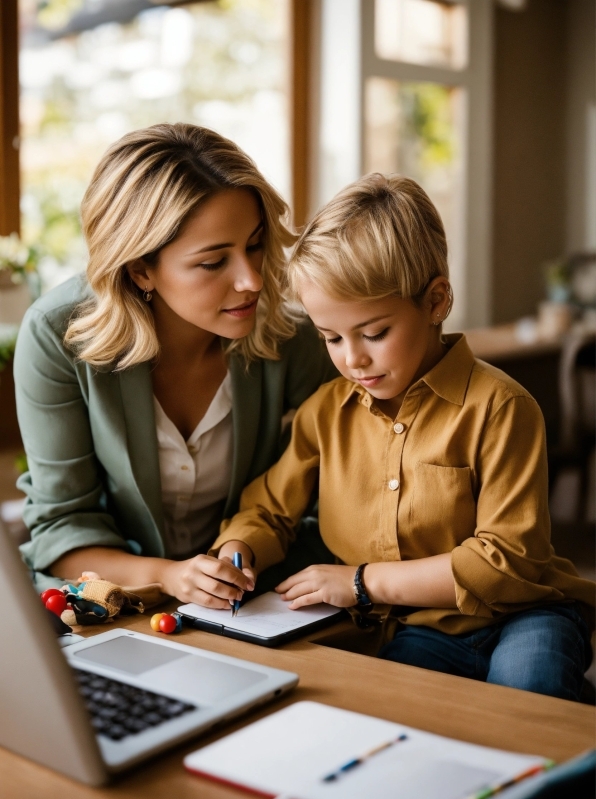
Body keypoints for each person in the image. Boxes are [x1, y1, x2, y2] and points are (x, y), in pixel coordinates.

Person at [211, 173, 595, 701]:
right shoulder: (326, 413)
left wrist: (361, 583)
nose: (353, 358)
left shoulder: (502, 407)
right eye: (331, 338)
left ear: (436, 301)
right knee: (392, 707)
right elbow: (271, 510)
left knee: (527, 694)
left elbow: (507, 562)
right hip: (422, 628)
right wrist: (237, 550)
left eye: (374, 333)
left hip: (526, 612)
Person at [14, 123, 334, 607]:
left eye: (254, 245)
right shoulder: (56, 335)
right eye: (213, 262)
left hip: (258, 602)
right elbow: (63, 526)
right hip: (111, 603)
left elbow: (340, 488)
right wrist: (170, 577)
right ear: (141, 268)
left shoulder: (295, 338)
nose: (251, 280)